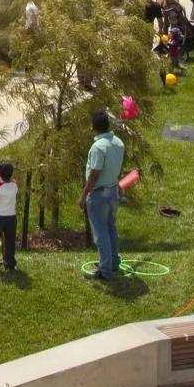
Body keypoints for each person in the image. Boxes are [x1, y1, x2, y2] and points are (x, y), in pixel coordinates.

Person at [82, 109, 124, 281]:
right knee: (111, 227)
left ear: (93, 127)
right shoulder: (118, 142)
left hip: (99, 194)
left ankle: (105, 271)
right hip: (113, 190)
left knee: (101, 234)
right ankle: (113, 262)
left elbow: (94, 174)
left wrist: (83, 196)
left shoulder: (98, 147)